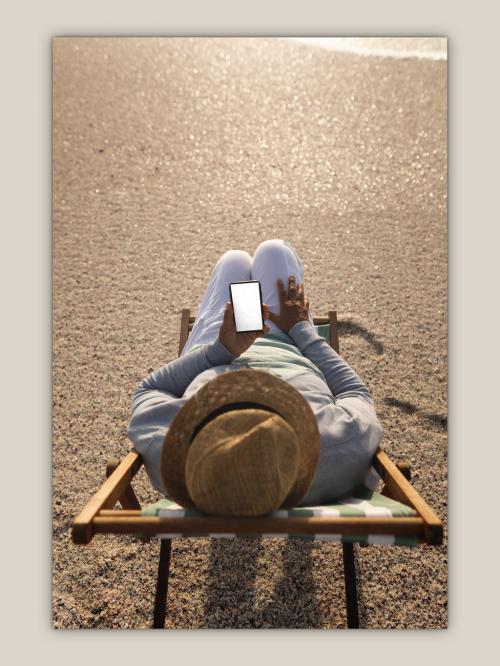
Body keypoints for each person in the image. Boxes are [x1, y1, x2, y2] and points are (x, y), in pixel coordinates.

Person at [127, 239, 383, 513]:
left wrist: (220, 351)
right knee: (274, 251)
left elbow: (148, 388)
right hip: (290, 343)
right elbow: (354, 393)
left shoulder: (171, 448)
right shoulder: (337, 444)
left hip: (224, 349)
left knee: (233, 260)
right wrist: (300, 329)